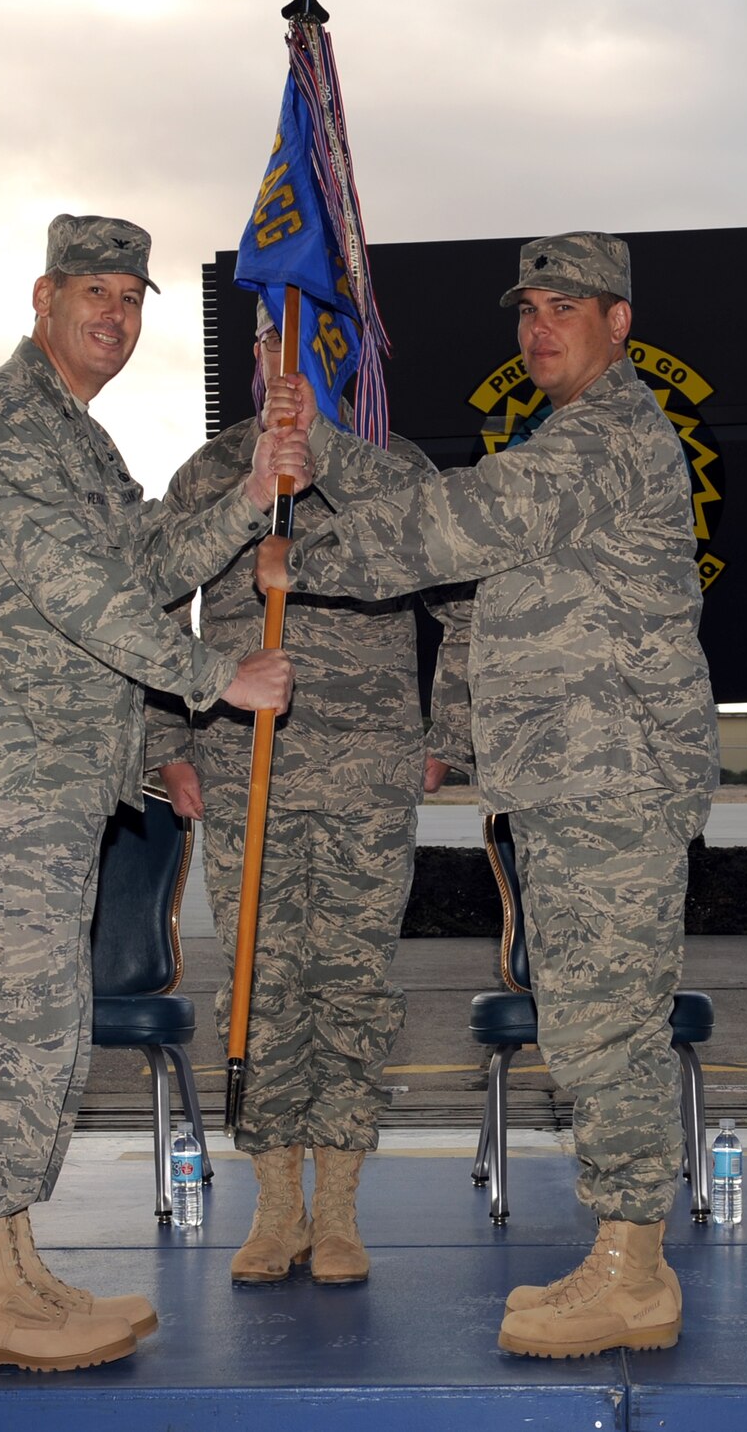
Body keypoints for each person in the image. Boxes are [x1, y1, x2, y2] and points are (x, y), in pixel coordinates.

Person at [255, 231, 719, 1359]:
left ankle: (634, 1269)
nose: (540, 325)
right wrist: (323, 453)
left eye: (568, 306)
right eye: (528, 309)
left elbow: (457, 521)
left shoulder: (606, 436)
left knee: (607, 1028)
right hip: (573, 779)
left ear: (619, 324)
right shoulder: (571, 436)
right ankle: (619, 1252)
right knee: (587, 1021)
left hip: (610, 782)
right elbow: (447, 495)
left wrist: (299, 562)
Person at [0, 214, 303, 1374]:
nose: (114, 316)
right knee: (10, 1025)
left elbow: (147, 562)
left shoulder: (81, 444)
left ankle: (11, 1260)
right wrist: (220, 676)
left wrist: (248, 496)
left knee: (41, 1027)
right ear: (42, 297)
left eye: (131, 297)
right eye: (94, 293)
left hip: (46, 778)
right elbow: (83, 595)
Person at [153, 301, 472, 1288]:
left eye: (311, 344)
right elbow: (156, 603)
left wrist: (444, 736)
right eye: (273, 342)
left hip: (368, 771)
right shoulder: (212, 474)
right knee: (255, 984)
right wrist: (168, 743)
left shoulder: (394, 470)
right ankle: (273, 1205)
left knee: (351, 989)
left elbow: (464, 602)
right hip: (243, 766)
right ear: (253, 357)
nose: (288, 360)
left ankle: (336, 1211)